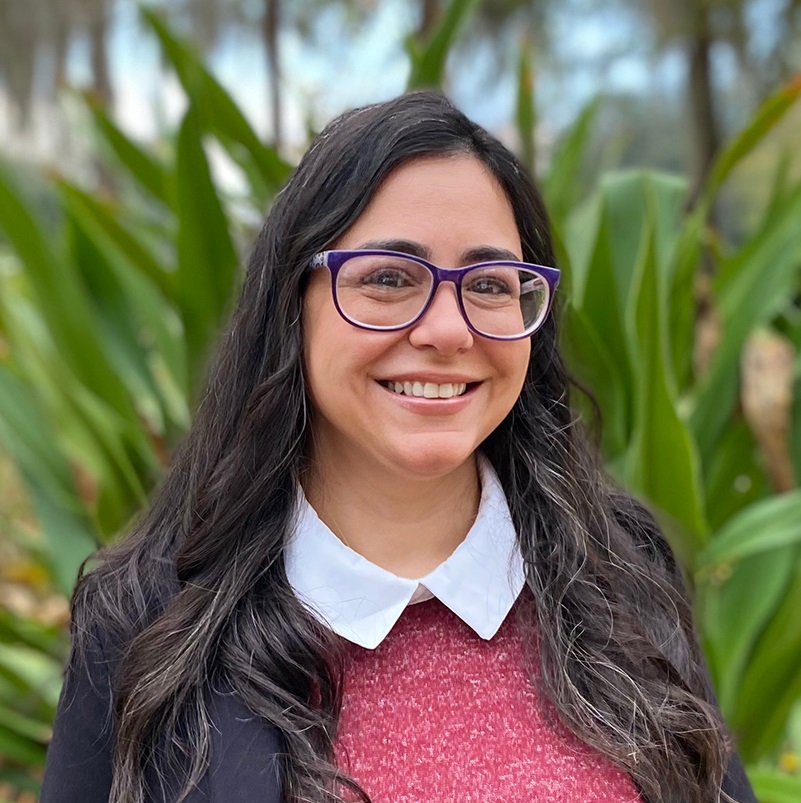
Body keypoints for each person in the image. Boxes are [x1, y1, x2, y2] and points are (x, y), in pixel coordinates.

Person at [40, 90, 756, 803]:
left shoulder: (622, 573)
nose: (448, 331)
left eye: (487, 283)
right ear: (291, 303)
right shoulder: (145, 623)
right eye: (388, 277)